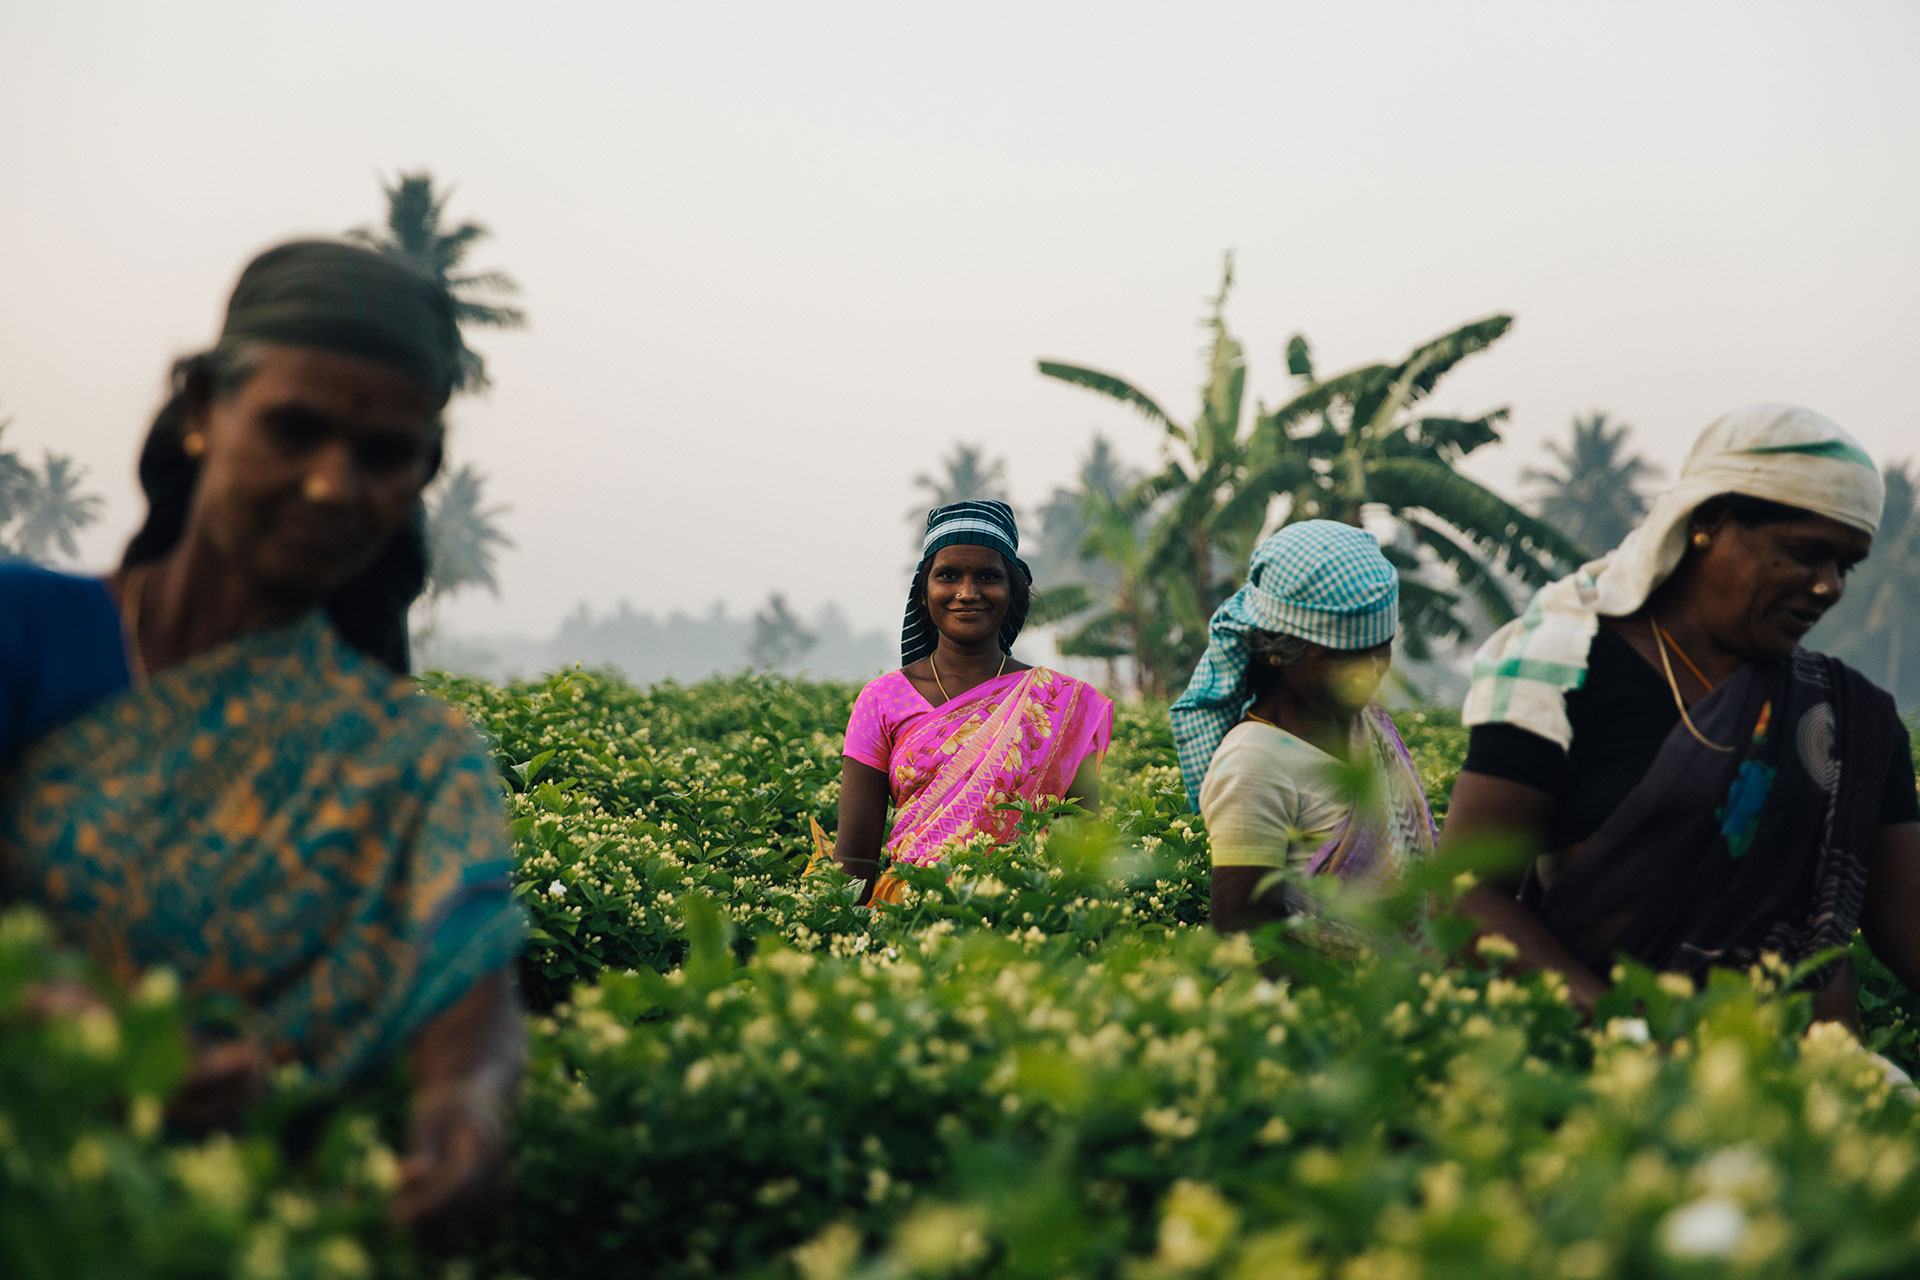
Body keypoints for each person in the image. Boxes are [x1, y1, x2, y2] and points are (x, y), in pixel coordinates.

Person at [0, 240, 525, 1233]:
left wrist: (467, 1114)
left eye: (383, 456)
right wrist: (76, 1022)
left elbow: (469, 980)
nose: (333, 485)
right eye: (294, 429)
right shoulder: (19, 628)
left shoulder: (417, 754)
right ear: (201, 408)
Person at [1446, 404, 1920, 1020]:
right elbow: (1464, 898)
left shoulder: (1846, 719)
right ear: (1710, 522)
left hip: (1805, 1083)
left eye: (1845, 565)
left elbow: (1907, 921)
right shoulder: (1563, 671)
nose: (1829, 585)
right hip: (1605, 1070)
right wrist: (1626, 1028)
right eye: (1806, 553)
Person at [830, 501, 1113, 905]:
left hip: (1021, 924)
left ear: (1012, 589)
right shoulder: (881, 701)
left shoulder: (1063, 705)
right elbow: (855, 859)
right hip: (905, 924)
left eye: (987, 576)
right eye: (948, 575)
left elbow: (1083, 851)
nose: (967, 592)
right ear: (924, 591)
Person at [1172, 521, 1435, 935]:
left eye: (1380, 651)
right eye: (1344, 657)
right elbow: (1248, 936)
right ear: (1280, 650)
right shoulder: (1252, 763)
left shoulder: (1363, 724)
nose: (1367, 674)